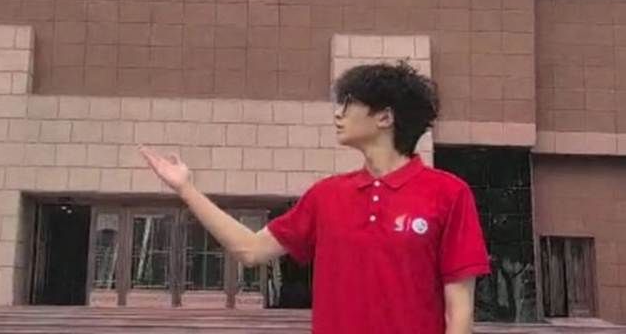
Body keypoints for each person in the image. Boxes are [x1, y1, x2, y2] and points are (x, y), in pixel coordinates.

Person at [140, 61, 490, 334]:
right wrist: (186, 189)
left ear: (385, 117)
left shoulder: (448, 193)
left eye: (349, 104)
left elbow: (459, 311)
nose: (338, 114)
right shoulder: (326, 196)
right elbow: (250, 249)